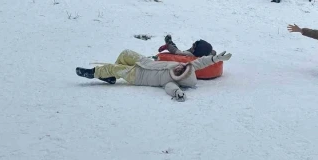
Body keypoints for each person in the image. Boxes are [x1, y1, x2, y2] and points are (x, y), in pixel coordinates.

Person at [75, 49, 232, 101]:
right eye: (183, 67)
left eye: (180, 72)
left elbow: (170, 88)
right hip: (147, 63)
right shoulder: (186, 67)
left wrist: (177, 93)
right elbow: (201, 62)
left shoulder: (170, 82)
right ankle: (111, 78)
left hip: (138, 75)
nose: (179, 68)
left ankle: (94, 73)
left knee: (114, 68)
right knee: (126, 53)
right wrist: (216, 58)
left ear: (180, 79)